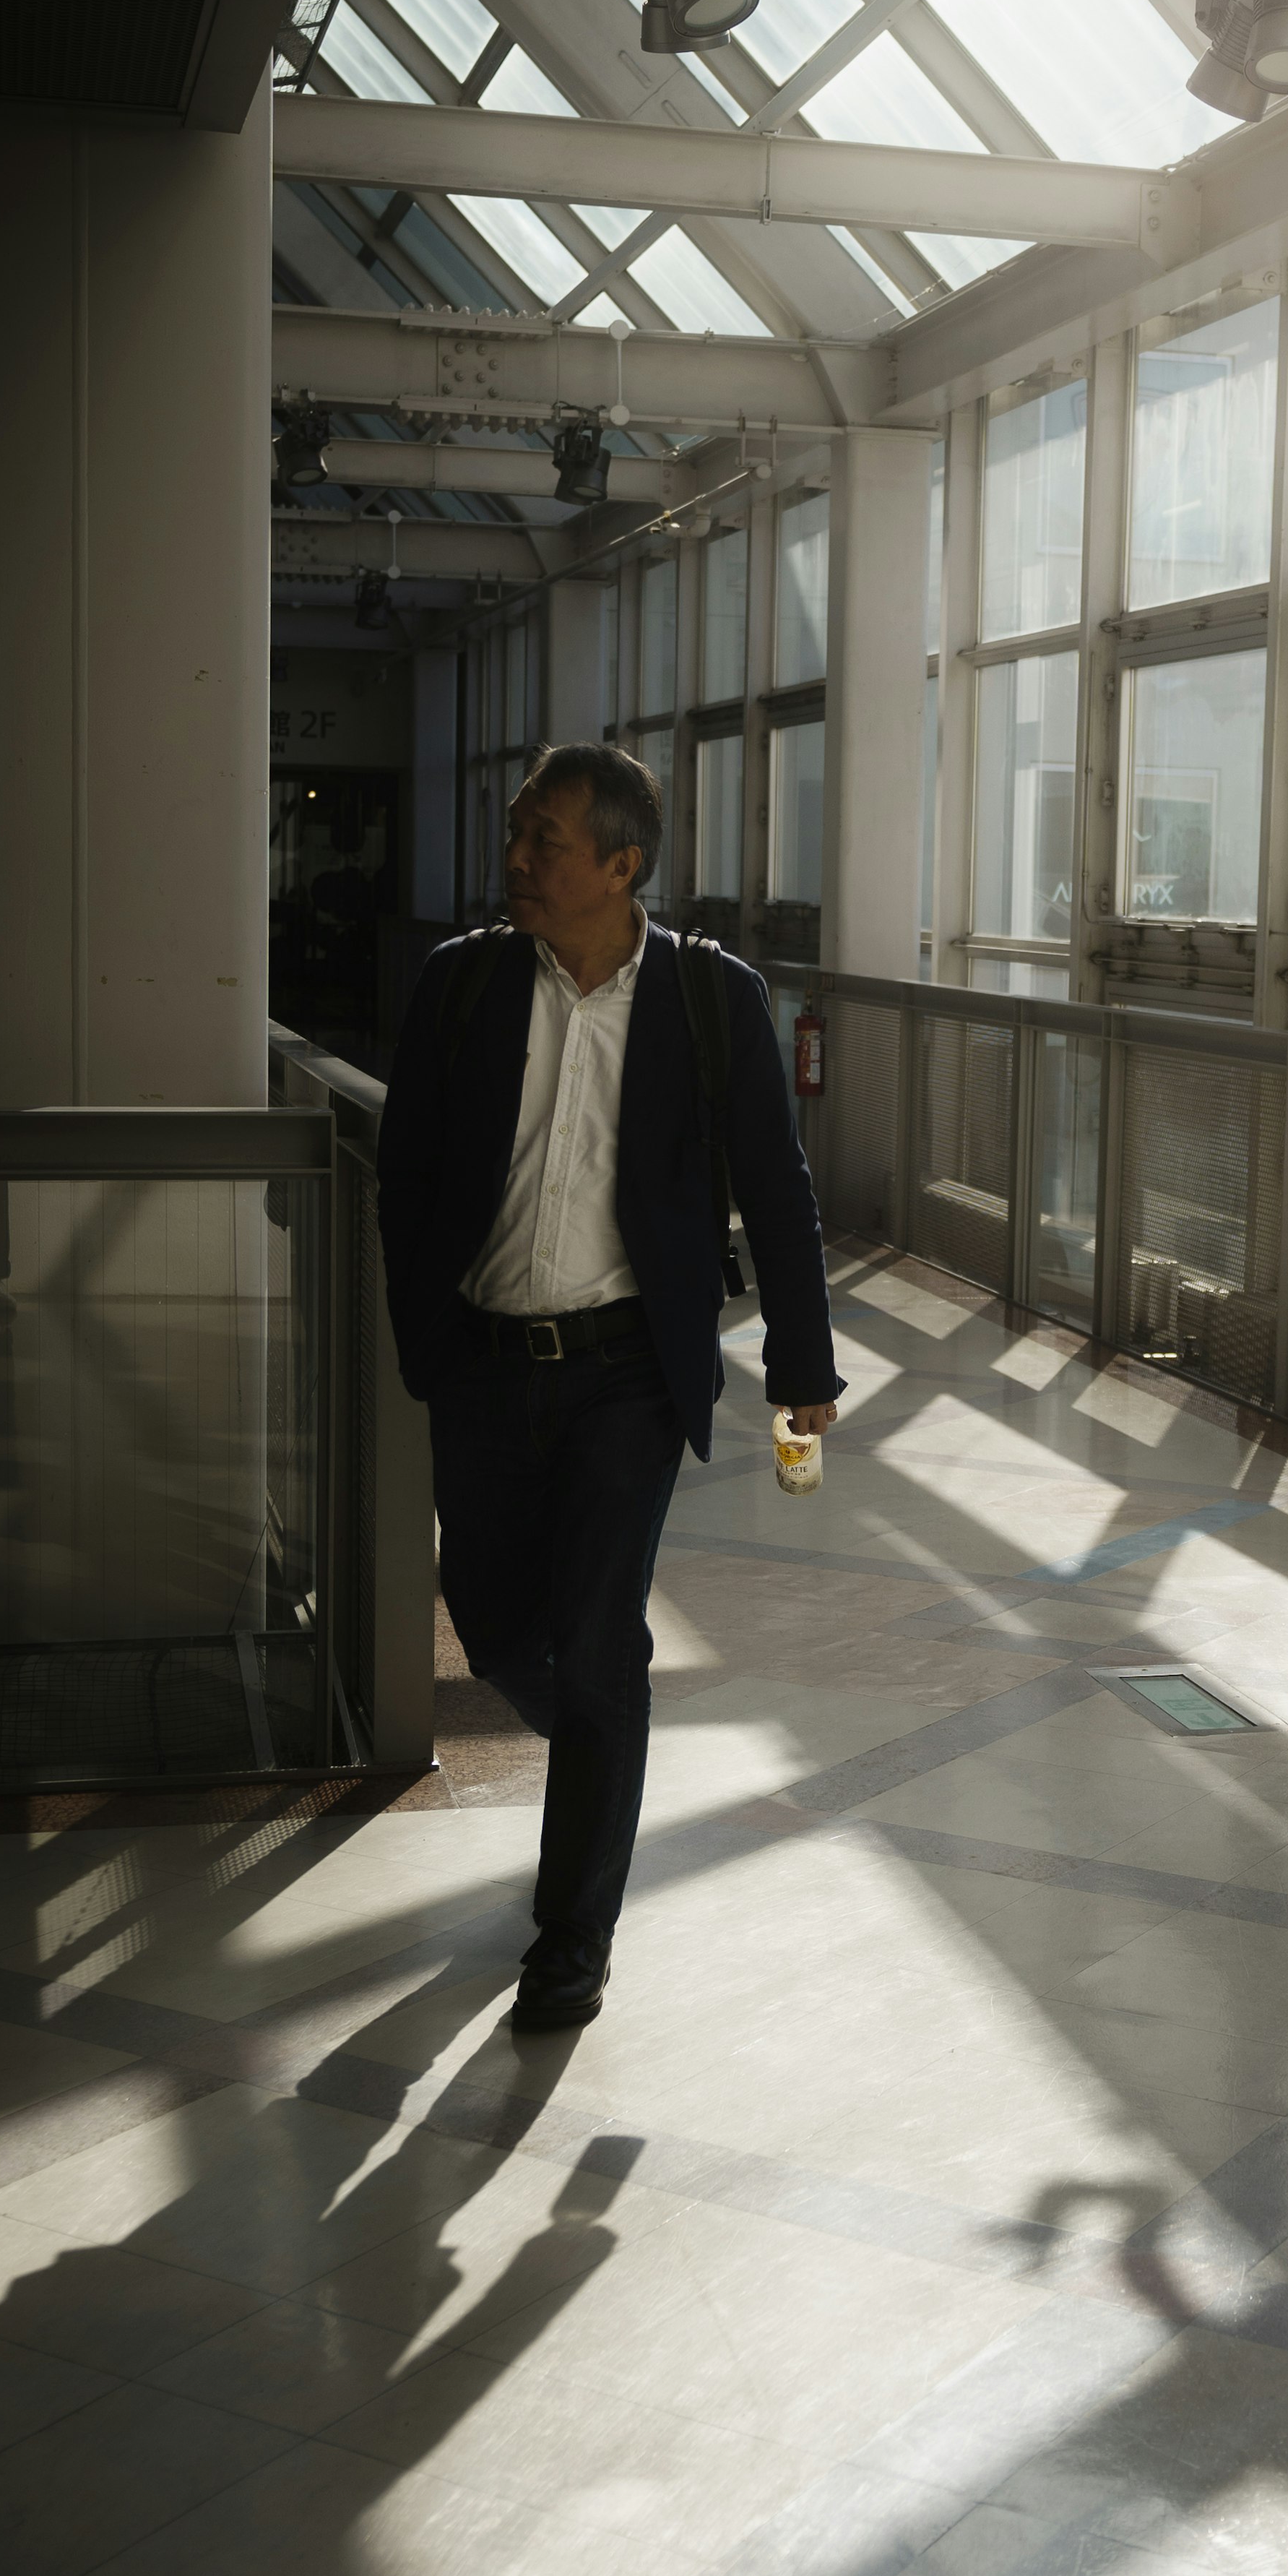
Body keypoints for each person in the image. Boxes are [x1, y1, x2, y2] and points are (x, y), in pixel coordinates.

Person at [375, 741, 842, 2030]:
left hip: (629, 1375)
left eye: (546, 843)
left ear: (622, 866)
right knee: (499, 1631)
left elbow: (779, 1190)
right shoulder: (459, 987)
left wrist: (804, 1366)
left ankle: (572, 1935)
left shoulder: (712, 1001)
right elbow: (402, 1177)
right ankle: (596, 1734)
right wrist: (423, 1339)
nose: (516, 860)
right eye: (518, 833)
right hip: (481, 1363)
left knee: (597, 1646)